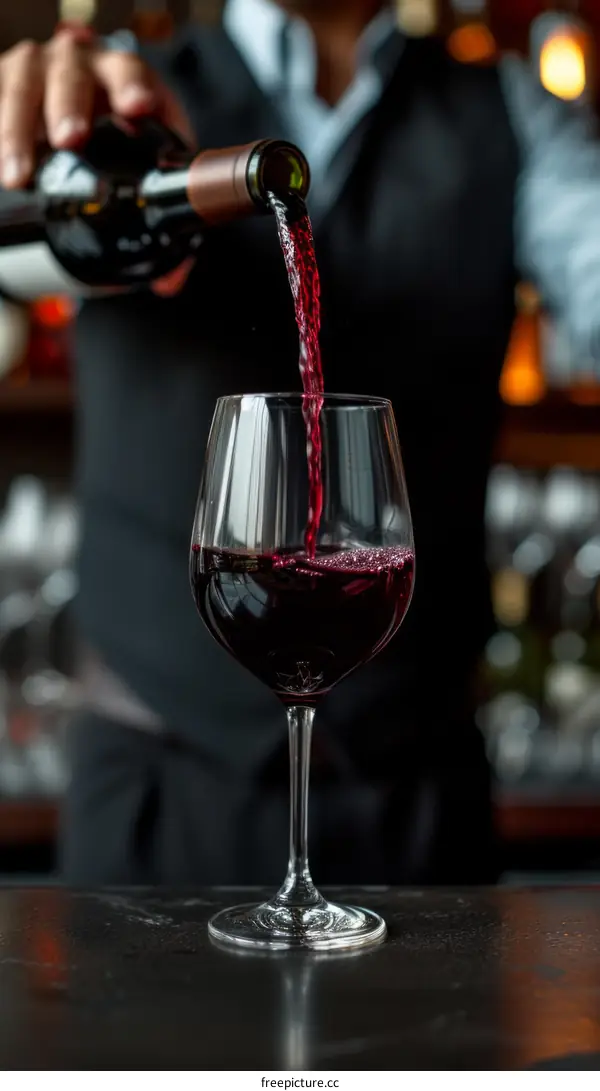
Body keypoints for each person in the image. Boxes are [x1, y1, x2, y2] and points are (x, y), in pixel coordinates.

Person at [0, 0, 598, 886]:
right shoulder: (112, 96)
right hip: (151, 802)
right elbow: (18, 255)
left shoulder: (515, 110)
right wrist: (25, 159)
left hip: (419, 807)